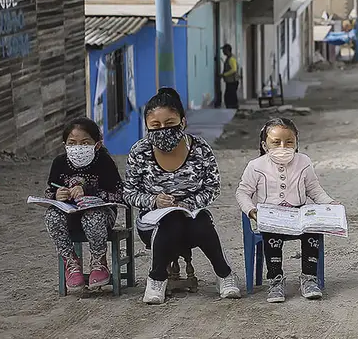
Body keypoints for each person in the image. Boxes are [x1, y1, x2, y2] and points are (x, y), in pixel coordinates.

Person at [123, 87, 241, 304]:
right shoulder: (139, 152)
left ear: (183, 122)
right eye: (155, 125)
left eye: (169, 123)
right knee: (171, 221)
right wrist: (153, 200)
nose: (163, 130)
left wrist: (189, 203)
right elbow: (129, 193)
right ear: (147, 126)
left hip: (192, 217)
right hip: (153, 223)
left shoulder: (200, 149)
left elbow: (212, 187)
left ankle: (224, 275)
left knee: (202, 222)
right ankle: (157, 279)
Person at [236, 118, 337, 303]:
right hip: (270, 216)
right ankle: (275, 280)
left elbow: (314, 189)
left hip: (298, 215)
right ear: (264, 145)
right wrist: (251, 211)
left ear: (296, 142)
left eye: (289, 142)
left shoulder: (303, 162)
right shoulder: (256, 166)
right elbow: (242, 192)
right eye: (276, 142)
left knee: (312, 231)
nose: (283, 146)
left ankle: (309, 278)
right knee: (271, 234)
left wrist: (330, 203)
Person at [43, 118, 123, 293]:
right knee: (52, 216)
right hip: (70, 216)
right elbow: (49, 191)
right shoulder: (59, 163)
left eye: (85, 143)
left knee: (91, 217)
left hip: (101, 217)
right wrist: (58, 195)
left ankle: (99, 261)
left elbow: (119, 195)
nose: (78, 148)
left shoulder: (104, 162)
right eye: (72, 143)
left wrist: (89, 191)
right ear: (65, 145)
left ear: (97, 144)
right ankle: (70, 262)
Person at [221, 44, 239, 109]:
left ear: (227, 50)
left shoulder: (231, 59)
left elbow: (234, 69)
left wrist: (224, 74)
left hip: (232, 81)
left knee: (230, 97)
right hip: (230, 81)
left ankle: (233, 110)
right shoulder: (229, 58)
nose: (223, 51)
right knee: (229, 97)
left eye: (224, 50)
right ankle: (232, 109)